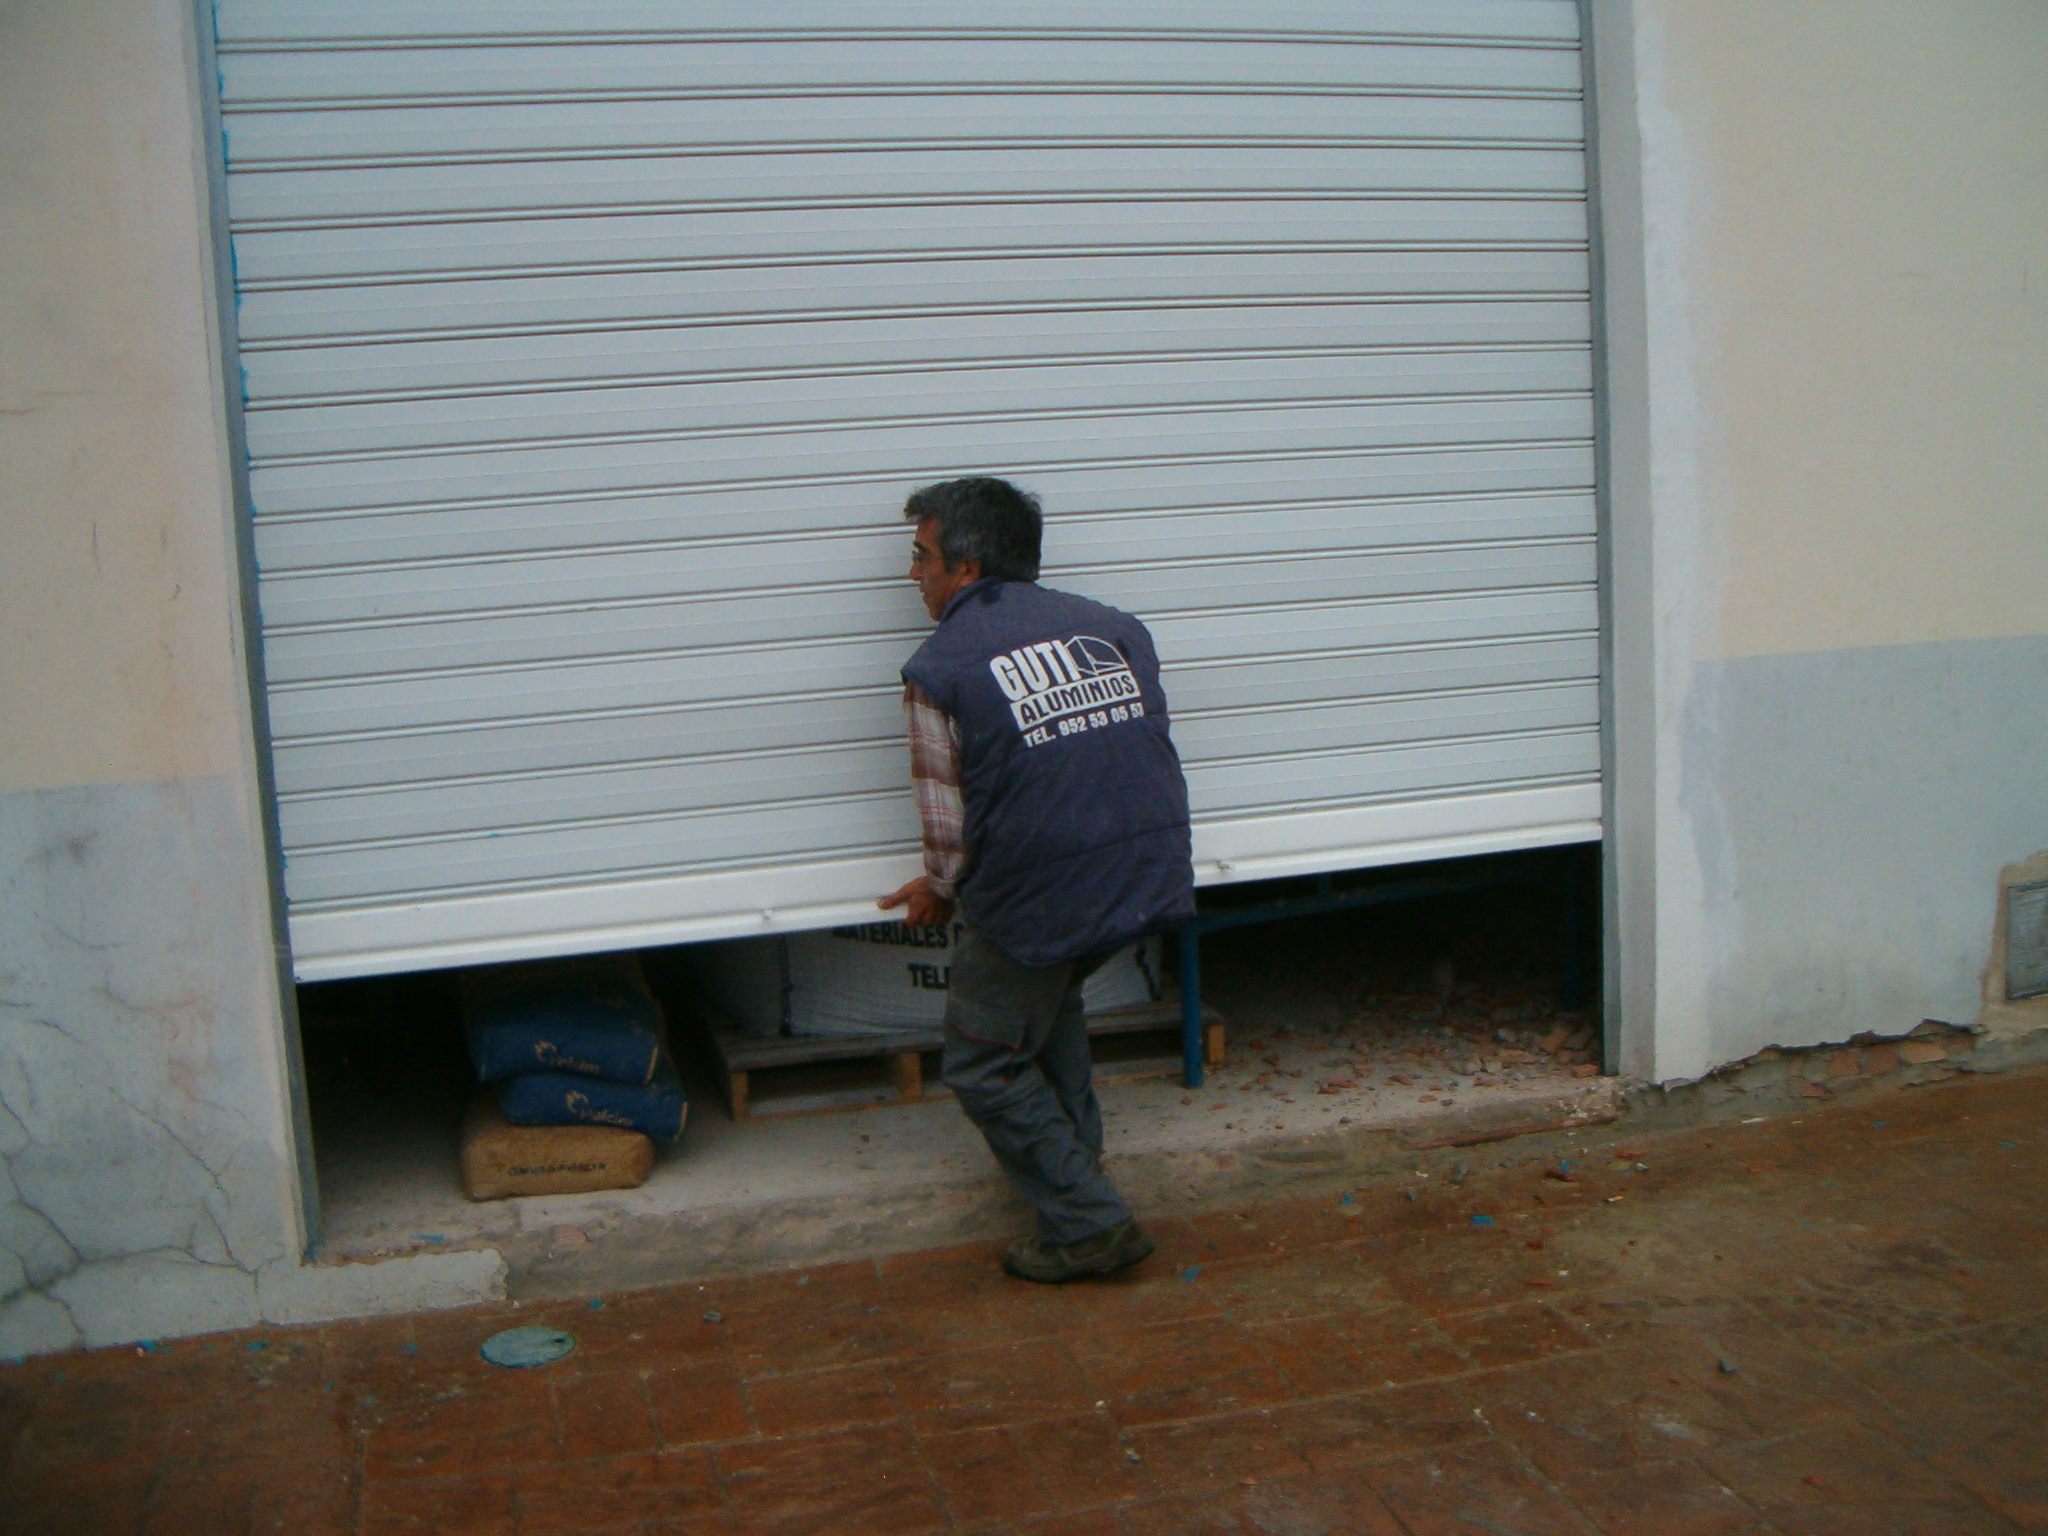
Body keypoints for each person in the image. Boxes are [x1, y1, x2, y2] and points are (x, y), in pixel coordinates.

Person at [878, 476, 1195, 1282]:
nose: (912, 576)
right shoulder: (1114, 627)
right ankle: (1073, 1178)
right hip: (1146, 874)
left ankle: (1090, 1223)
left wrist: (938, 887)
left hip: (1038, 895)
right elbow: (1129, 749)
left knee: (983, 1057)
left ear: (966, 567)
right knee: (1048, 1013)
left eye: (920, 558)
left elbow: (947, 829)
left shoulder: (938, 668)